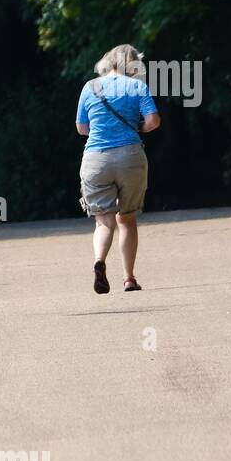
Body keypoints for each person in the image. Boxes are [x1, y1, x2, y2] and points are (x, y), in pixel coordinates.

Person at [75, 44, 160, 293]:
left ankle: (99, 261)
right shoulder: (137, 87)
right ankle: (129, 278)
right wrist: (136, 128)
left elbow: (82, 128)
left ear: (108, 62)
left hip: (95, 160)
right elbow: (153, 121)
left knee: (103, 222)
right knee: (127, 218)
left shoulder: (90, 87)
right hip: (130, 157)